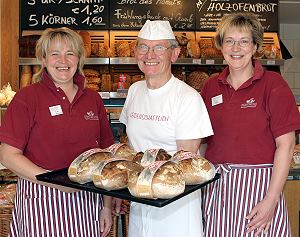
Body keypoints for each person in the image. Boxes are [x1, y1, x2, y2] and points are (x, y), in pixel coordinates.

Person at [0, 27, 114, 237]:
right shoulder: (27, 98)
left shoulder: (93, 99)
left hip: (86, 201)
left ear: (79, 58)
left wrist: (106, 206)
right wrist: (55, 182)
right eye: (55, 54)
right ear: (43, 59)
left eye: (70, 53)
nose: (63, 60)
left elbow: (106, 156)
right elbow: (8, 155)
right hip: (41, 200)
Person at [200, 13, 300, 237]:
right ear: (221, 46)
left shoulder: (273, 85)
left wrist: (272, 199)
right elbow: (204, 144)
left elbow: (286, 144)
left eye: (244, 41)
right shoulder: (210, 87)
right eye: (229, 41)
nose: (236, 48)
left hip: (261, 190)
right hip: (217, 188)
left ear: (255, 46)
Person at [119, 20, 214, 237]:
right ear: (135, 52)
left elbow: (186, 166)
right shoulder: (134, 90)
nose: (149, 54)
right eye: (143, 46)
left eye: (159, 47)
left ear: (174, 53)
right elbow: (132, 148)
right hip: (140, 199)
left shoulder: (187, 98)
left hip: (174, 208)